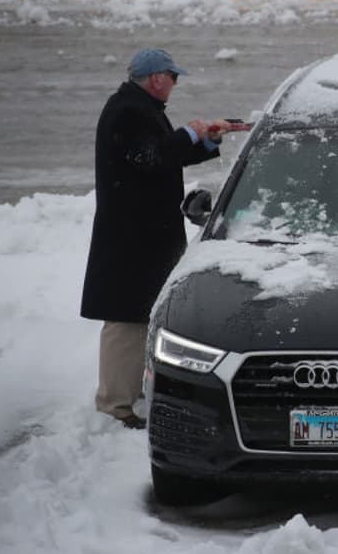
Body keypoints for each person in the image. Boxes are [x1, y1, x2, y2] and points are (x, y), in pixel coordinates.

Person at [80, 48, 228, 429]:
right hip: (130, 237)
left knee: (147, 313)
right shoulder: (127, 111)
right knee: (126, 320)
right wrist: (188, 133)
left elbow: (164, 157)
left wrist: (205, 141)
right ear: (156, 78)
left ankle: (135, 391)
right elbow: (149, 157)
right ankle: (114, 405)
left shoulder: (141, 109)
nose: (175, 84)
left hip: (147, 235)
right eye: (173, 77)